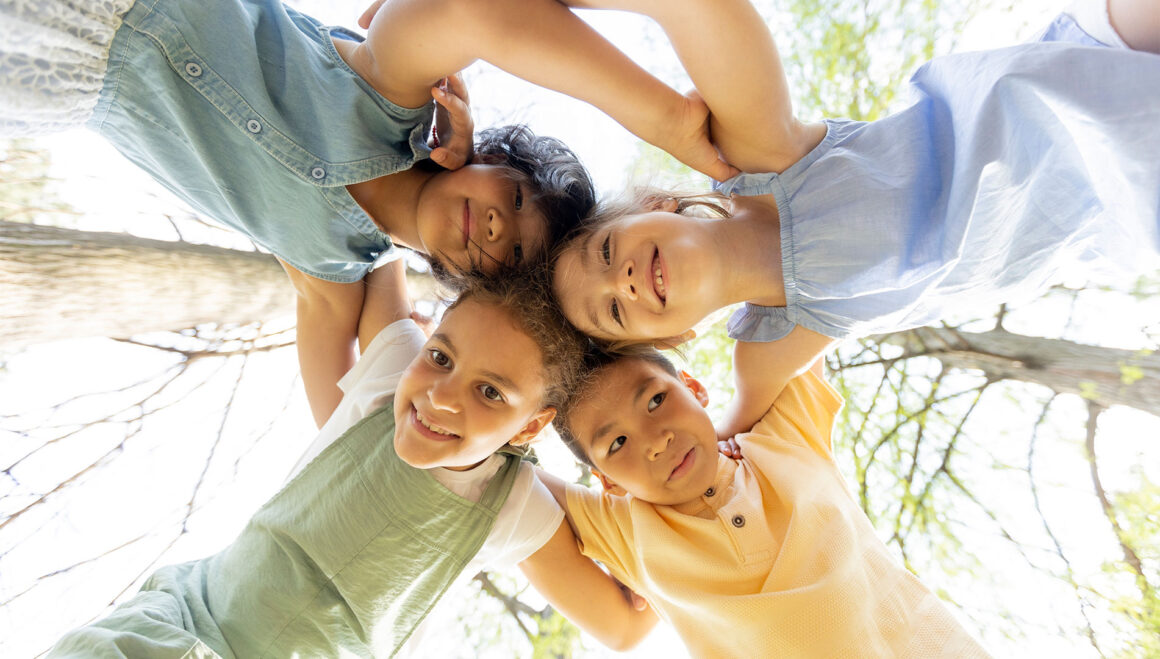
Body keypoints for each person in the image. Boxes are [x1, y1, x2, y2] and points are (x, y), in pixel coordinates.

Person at [549, 0, 1160, 440]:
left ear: (656, 207)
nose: (620, 280)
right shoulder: (771, 348)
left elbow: (703, 11)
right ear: (677, 337)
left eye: (604, 253)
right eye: (614, 310)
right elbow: (721, 435)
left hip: (1058, 88)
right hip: (1105, 210)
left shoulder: (762, 162)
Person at [0, 0, 627, 426]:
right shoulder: (394, 98)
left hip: (64, 78)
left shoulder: (334, 266)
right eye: (514, 199)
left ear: (476, 282)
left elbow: (337, 418)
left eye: (513, 250)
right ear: (486, 158)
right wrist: (444, 84)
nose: (497, 226)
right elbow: (445, 15)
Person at [49, 260, 658, 657]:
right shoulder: (394, 371)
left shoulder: (513, 507)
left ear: (529, 425)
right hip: (172, 621)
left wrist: (650, 495)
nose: (440, 397)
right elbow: (379, 247)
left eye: (490, 392)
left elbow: (624, 627)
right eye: (442, 357)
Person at [541, 345, 991, 656]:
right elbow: (494, 470)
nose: (655, 441)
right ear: (608, 482)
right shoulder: (625, 530)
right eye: (617, 443)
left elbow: (792, 299)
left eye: (657, 399)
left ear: (695, 388)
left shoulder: (785, 435)